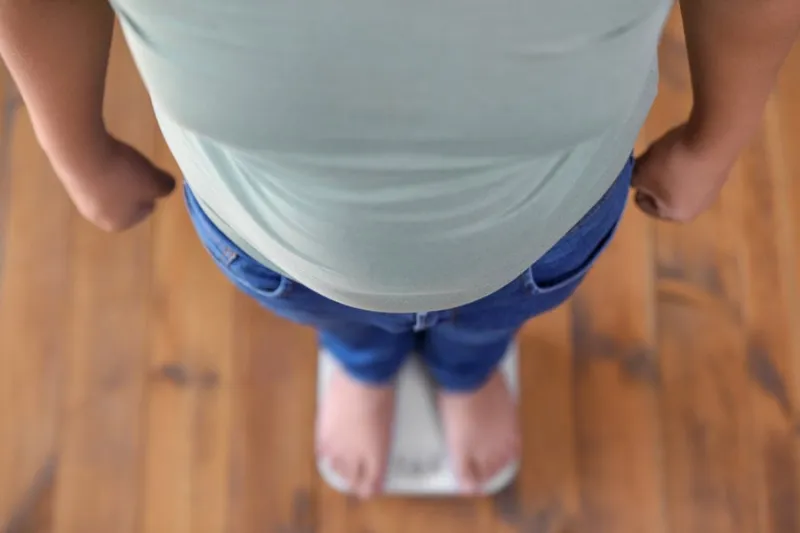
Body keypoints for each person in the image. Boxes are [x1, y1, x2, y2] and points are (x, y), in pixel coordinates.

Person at [1, 0, 798, 499]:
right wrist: (75, 149)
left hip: (540, 226)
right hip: (279, 240)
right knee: (340, 321)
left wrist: (714, 143)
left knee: (488, 324)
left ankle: (466, 367)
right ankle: (364, 361)